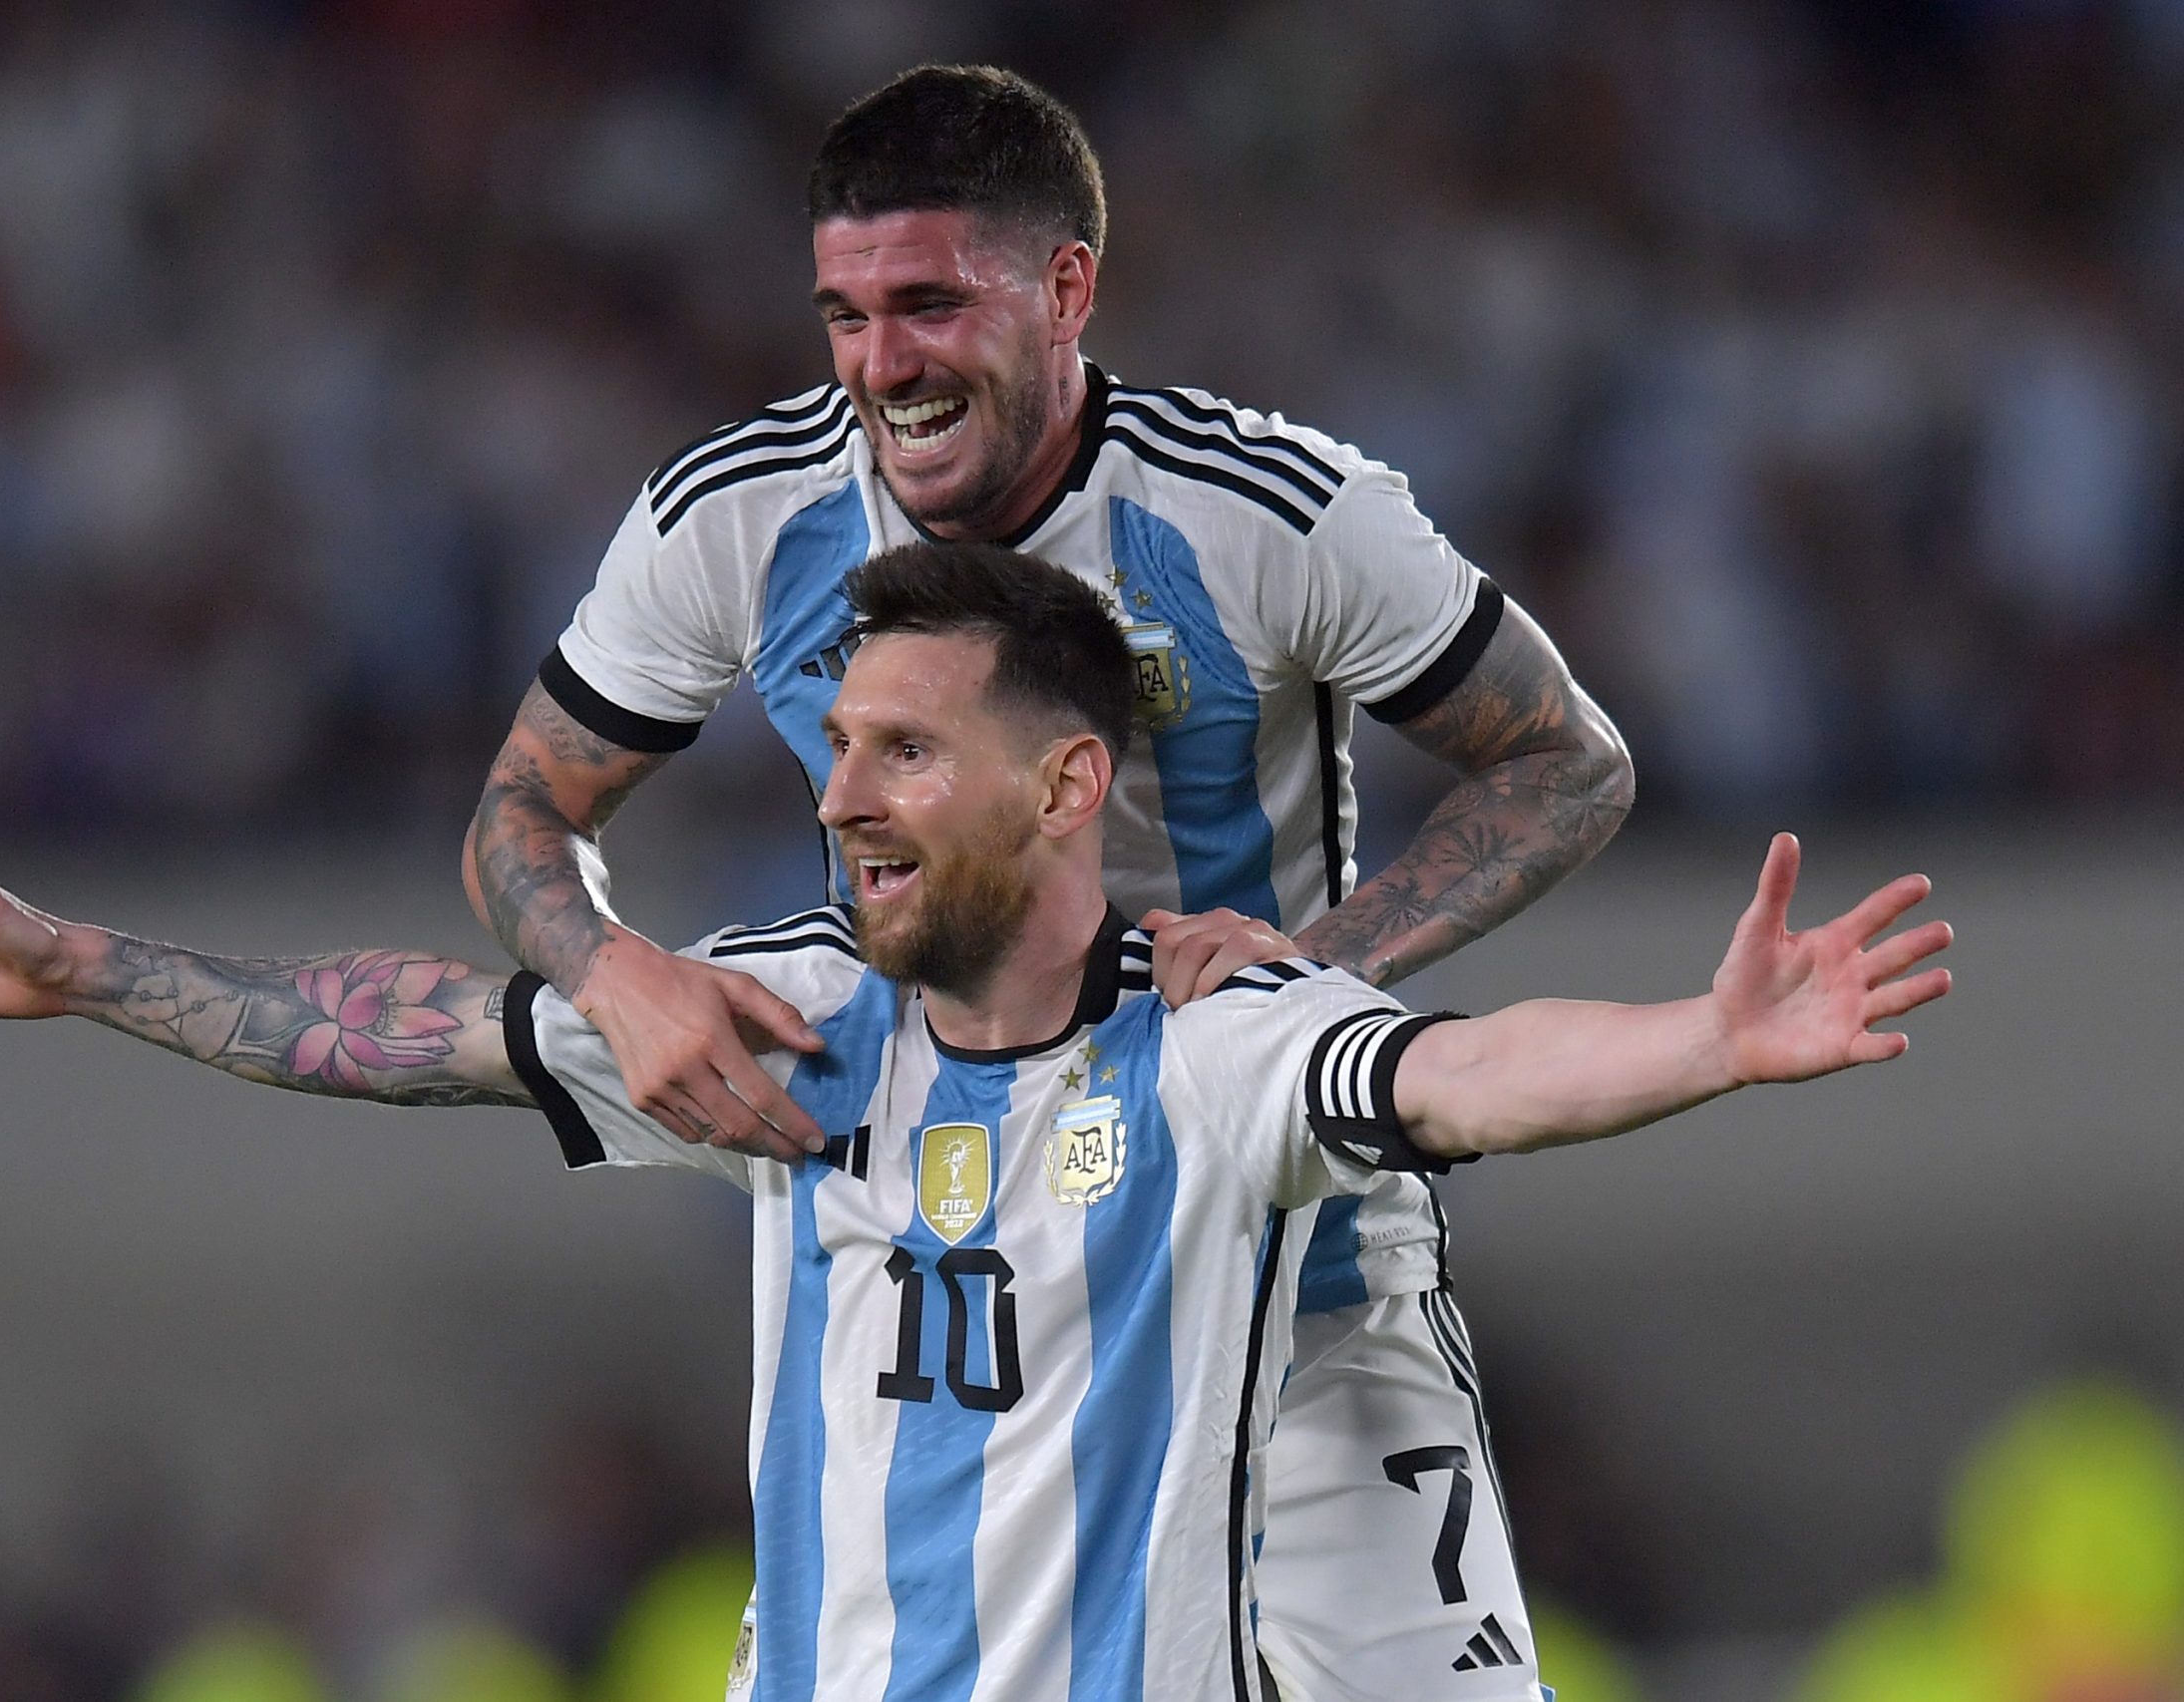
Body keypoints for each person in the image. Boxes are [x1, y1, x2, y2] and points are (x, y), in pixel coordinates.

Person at [0, 542, 1950, 1702]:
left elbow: (1455, 1073)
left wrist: (1704, 1036)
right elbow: (417, 1025)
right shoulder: (787, 1026)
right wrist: (82, 974)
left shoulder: (1203, 1045)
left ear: (1064, 785)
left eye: (903, 747)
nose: (836, 792)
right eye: (835, 742)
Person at [464, 63, 1636, 1699]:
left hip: (1303, 1289)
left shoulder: (1271, 517)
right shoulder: (740, 518)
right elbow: (524, 808)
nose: (884, 364)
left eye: (931, 303)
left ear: (1068, 287)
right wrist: (607, 968)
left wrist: (1311, 969)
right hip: (959, 1303)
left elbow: (1567, 759)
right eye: (845, 314)